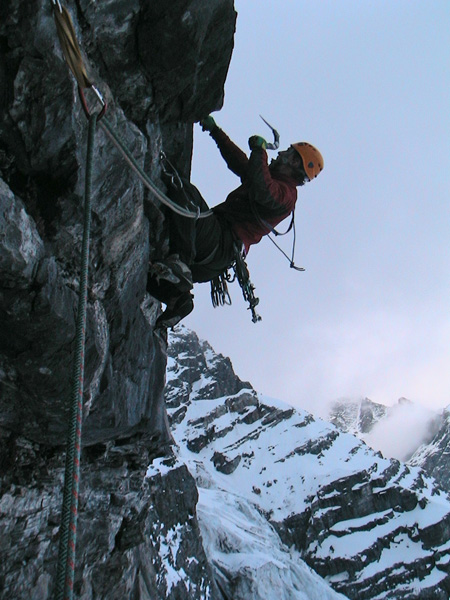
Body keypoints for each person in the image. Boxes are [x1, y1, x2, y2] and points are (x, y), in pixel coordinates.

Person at [147, 115, 324, 329]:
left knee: (185, 192)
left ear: (295, 162)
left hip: (219, 242)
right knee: (148, 273)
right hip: (213, 260)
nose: (280, 154)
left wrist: (260, 151)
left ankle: (180, 264)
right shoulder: (272, 179)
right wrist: (216, 132)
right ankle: (178, 299)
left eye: (287, 153)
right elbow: (240, 163)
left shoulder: (287, 195)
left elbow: (262, 190)